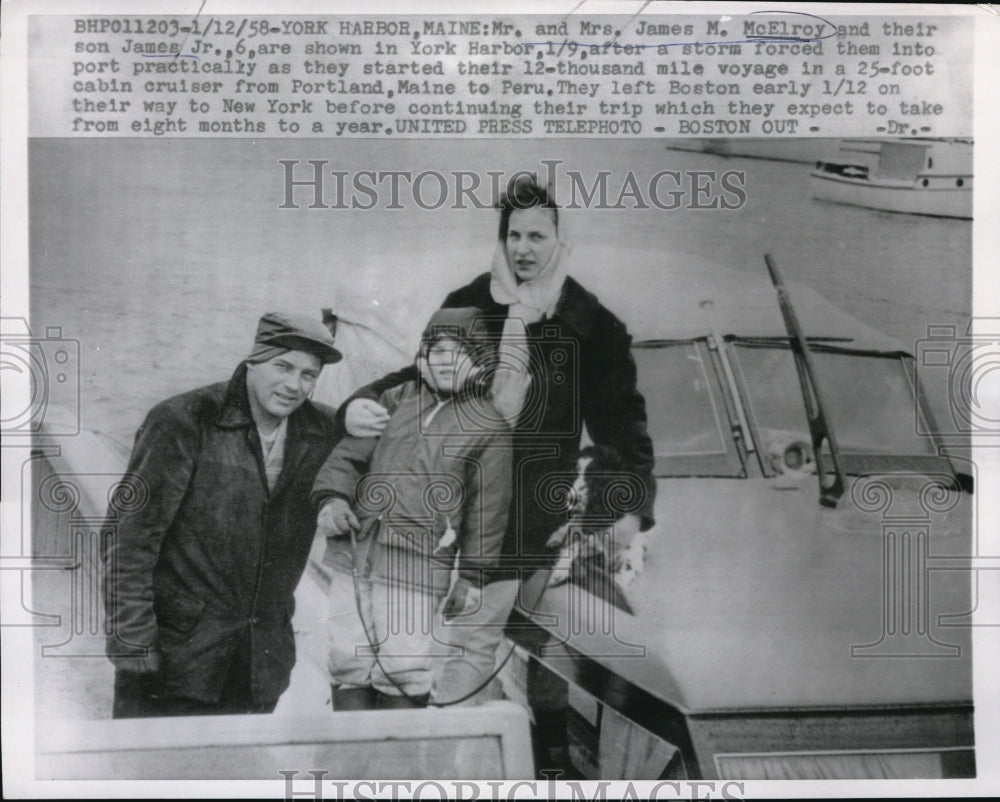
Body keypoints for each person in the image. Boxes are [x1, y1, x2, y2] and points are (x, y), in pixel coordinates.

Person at [339, 175, 656, 705]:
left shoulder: (594, 328)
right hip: (440, 502)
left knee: (473, 643)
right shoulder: (468, 304)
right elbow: (421, 378)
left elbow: (623, 426)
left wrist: (627, 509)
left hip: (520, 515)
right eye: (513, 235)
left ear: (561, 240)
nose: (522, 249)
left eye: (537, 236)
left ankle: (470, 744)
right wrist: (361, 402)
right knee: (407, 642)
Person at [102, 312, 343, 718]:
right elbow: (129, 539)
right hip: (173, 660)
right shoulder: (184, 419)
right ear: (254, 359)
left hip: (259, 666)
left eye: (309, 375)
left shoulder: (322, 429)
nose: (294, 385)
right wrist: (132, 645)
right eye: (282, 366)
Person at [313, 307, 512, 710]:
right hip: (355, 549)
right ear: (423, 356)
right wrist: (332, 500)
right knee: (347, 656)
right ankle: (349, 744)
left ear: (480, 361)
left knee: (403, 665)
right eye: (437, 351)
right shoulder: (395, 399)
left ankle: (398, 745)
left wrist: (472, 577)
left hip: (417, 563)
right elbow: (347, 457)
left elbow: (487, 512)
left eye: (459, 352)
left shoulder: (490, 429)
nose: (445, 361)